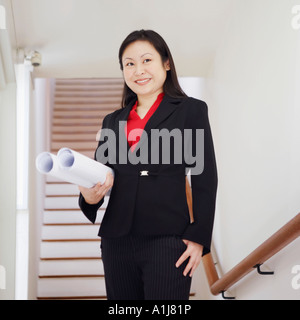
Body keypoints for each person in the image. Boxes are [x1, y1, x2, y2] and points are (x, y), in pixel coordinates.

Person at [78, 29, 218, 300]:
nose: (138, 70)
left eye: (146, 60)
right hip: (116, 240)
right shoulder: (112, 121)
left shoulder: (191, 110)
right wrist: (88, 196)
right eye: (129, 64)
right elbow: (98, 176)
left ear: (166, 63)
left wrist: (199, 236)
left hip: (168, 239)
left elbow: (205, 177)